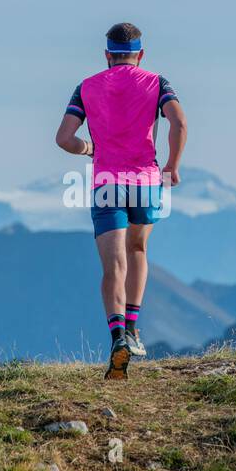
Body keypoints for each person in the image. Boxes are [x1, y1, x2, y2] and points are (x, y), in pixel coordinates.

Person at [54, 23, 187, 379]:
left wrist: (90, 149)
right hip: (145, 181)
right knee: (138, 251)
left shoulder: (86, 87)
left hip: (106, 183)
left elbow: (64, 138)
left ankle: (116, 339)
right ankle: (132, 328)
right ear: (141, 54)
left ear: (107, 55)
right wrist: (172, 165)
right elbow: (179, 123)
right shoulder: (157, 82)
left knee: (113, 266)